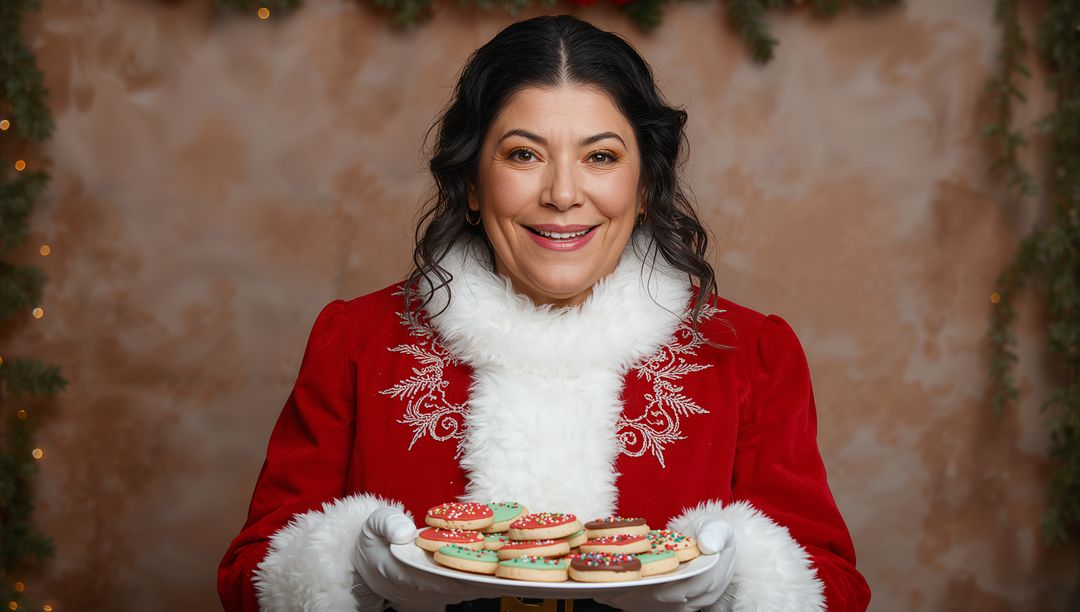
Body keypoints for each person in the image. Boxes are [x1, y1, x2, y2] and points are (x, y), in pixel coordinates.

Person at [217, 13, 870, 612]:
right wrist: (346, 566)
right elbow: (248, 576)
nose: (562, 193)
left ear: (644, 186)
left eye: (601, 157)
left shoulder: (750, 354)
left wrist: (738, 581)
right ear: (472, 183)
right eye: (524, 154)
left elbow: (834, 585)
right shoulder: (355, 340)